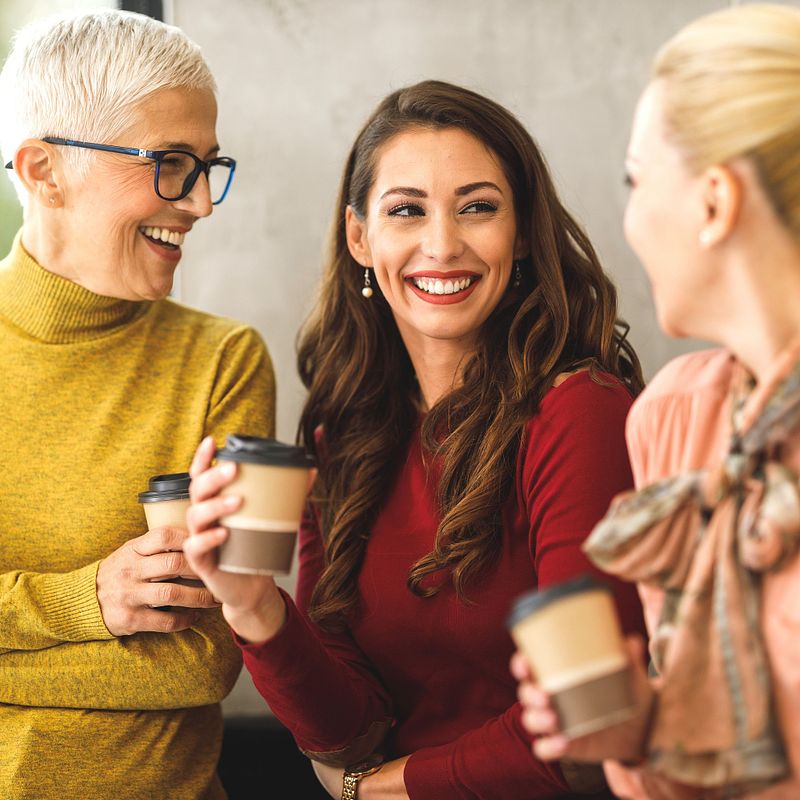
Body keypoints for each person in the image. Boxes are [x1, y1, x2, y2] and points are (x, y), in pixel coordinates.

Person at [185, 79, 646, 799]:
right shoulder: (345, 434)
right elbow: (350, 729)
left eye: (478, 208)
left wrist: (374, 789)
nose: (442, 244)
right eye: (407, 210)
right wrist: (253, 607)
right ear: (360, 237)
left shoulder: (580, 413)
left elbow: (587, 725)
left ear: (522, 232)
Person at [514, 4, 800, 799]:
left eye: (636, 180)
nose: (628, 220)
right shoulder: (676, 416)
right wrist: (642, 730)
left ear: (713, 203)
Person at [0, 10, 274, 800]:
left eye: (208, 167)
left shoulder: (222, 363)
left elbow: (207, 657)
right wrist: (89, 600)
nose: (200, 205)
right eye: (170, 164)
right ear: (44, 170)